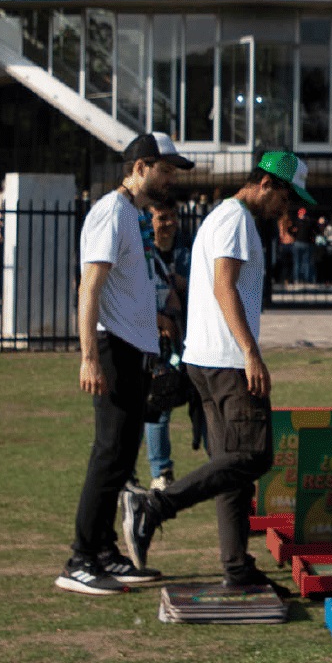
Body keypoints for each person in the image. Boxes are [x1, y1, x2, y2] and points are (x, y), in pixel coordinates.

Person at [122, 151, 312, 595]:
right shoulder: (236, 221)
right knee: (254, 456)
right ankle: (154, 506)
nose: (287, 207)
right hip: (226, 361)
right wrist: (250, 351)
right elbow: (224, 285)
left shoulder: (226, 217)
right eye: (286, 196)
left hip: (205, 358)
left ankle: (237, 567)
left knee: (231, 466)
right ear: (266, 183)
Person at [54, 133, 190, 596]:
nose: (170, 179)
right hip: (111, 349)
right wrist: (88, 356)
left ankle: (105, 551)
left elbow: (125, 289)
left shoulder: (131, 216)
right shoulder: (111, 213)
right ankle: (80, 559)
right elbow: (89, 286)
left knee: (122, 456)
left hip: (133, 350)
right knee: (109, 454)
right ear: (140, 166)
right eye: (165, 170)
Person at [142, 200, 193, 492]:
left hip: (185, 334)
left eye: (172, 217)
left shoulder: (184, 249)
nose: (169, 223)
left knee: (195, 399)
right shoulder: (145, 254)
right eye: (162, 218)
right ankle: (160, 469)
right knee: (157, 403)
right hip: (154, 340)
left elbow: (198, 281)